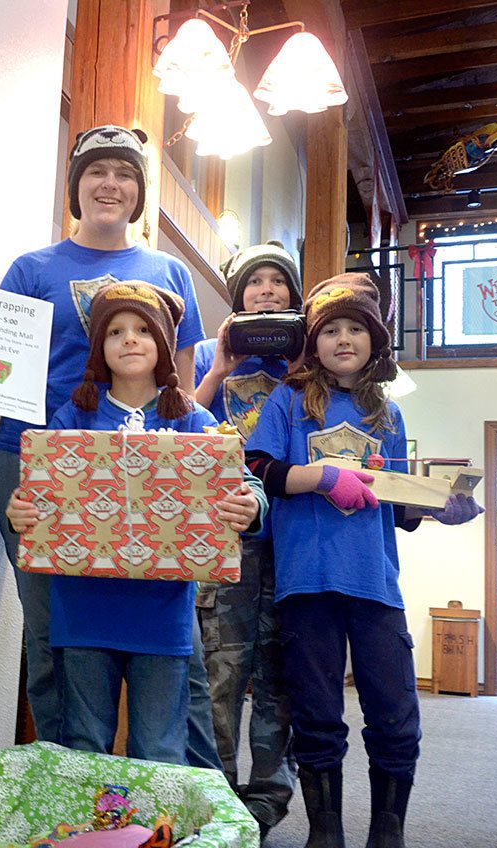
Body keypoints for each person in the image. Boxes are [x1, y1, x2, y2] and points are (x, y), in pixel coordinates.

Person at [0, 125, 216, 762]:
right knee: (51, 635)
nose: (110, 184)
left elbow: (181, 386)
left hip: (148, 470)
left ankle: (199, 799)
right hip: (33, 461)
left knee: (179, 648)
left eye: (124, 173)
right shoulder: (32, 269)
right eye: (97, 172)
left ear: (139, 191)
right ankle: (69, 790)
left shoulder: (168, 270)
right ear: (76, 186)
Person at [249, 273, 483, 848]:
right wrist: (326, 477)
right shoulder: (287, 401)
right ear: (315, 341)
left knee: (395, 711)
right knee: (317, 712)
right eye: (331, 329)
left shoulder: (389, 415)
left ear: (375, 342)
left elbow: (395, 500)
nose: (344, 338)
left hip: (375, 584)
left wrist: (437, 507)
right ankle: (325, 829)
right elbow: (262, 471)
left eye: (357, 328)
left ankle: (389, 829)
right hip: (305, 583)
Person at [5, 281, 263, 764]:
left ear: (163, 344)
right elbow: (37, 492)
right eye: (116, 331)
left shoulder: (195, 421)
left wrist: (250, 507)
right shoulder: (72, 415)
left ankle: (152, 838)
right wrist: (23, 510)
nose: (129, 340)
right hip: (82, 610)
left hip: (160, 614)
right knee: (84, 746)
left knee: (159, 748)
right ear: (99, 346)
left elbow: (245, 483)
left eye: (143, 330)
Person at [192, 241, 302, 840]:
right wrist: (218, 368)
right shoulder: (212, 353)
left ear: (292, 295)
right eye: (254, 282)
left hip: (287, 539)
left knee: (278, 675)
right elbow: (174, 425)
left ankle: (266, 801)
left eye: (277, 282)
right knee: (221, 669)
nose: (266, 290)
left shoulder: (306, 364)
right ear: (238, 297)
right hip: (222, 539)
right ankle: (217, 794)